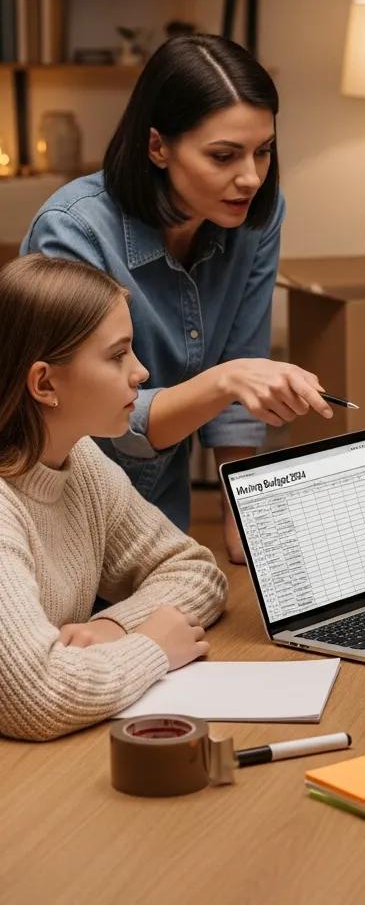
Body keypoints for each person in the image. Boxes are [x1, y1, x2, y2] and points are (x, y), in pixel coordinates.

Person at [21, 33, 333, 562]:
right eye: (223, 155)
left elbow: (242, 364)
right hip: (59, 524)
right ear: (157, 146)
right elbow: (108, 420)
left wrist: (244, 520)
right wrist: (227, 379)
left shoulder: (256, 217)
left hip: (159, 526)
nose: (250, 178)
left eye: (264, 151)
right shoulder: (73, 232)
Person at [0, 255, 228, 741]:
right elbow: (36, 698)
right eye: (117, 355)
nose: (141, 372)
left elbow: (196, 570)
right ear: (44, 383)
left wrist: (116, 628)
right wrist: (152, 646)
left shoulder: (77, 460)